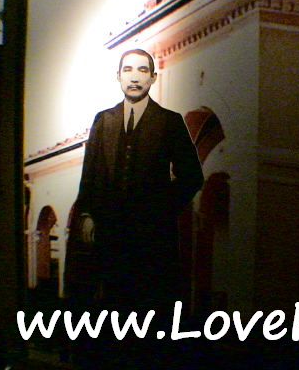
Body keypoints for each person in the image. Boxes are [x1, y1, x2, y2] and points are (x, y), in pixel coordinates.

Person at [70, 48, 203, 368]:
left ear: (153, 78)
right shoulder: (103, 120)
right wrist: (87, 215)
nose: (134, 77)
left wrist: (160, 211)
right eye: (128, 69)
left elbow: (192, 177)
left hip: (152, 242)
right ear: (118, 76)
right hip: (109, 237)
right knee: (110, 315)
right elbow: (90, 175)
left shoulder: (169, 122)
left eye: (143, 70)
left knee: (149, 318)